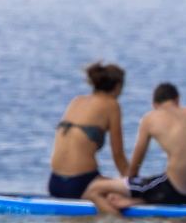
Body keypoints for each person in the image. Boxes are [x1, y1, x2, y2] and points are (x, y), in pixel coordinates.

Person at [85, 82, 186, 213]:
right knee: (150, 186)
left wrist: (126, 189)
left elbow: (134, 168)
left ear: (154, 104)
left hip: (172, 191)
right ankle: (138, 201)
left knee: (94, 189)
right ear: (177, 100)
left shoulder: (151, 117)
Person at [49, 62, 129, 200]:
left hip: (55, 183)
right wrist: (133, 186)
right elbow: (118, 156)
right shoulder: (112, 105)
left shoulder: (77, 101)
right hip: (81, 184)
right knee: (125, 191)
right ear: (117, 86)